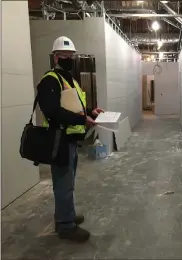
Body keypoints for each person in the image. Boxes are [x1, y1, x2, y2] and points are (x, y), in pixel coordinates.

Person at [37, 36, 104, 242]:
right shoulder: (50, 80)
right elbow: (52, 112)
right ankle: (65, 226)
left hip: (71, 139)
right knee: (63, 183)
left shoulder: (69, 80)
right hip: (59, 140)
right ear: (56, 58)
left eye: (71, 55)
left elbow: (73, 108)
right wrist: (82, 119)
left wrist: (90, 113)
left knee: (68, 182)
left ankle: (66, 215)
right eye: (64, 55)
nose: (69, 58)